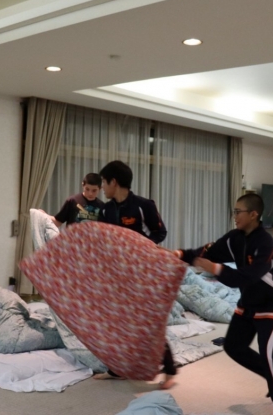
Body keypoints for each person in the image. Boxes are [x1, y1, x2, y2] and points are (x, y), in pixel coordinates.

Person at [174, 193, 273, 415]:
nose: (235, 216)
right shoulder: (234, 238)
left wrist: (214, 268)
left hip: (271, 306)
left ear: (253, 214)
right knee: (233, 346)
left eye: (239, 212)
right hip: (247, 303)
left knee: (270, 357)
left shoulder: (265, 242)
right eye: (235, 211)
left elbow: (247, 277)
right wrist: (178, 254)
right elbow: (206, 252)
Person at [94, 160, 174, 388]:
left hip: (141, 272)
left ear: (114, 182)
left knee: (147, 321)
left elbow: (160, 231)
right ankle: (117, 369)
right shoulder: (105, 210)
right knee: (114, 320)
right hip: (116, 274)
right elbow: (100, 240)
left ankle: (169, 369)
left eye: (104, 182)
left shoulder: (143, 206)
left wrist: (140, 247)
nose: (102, 187)